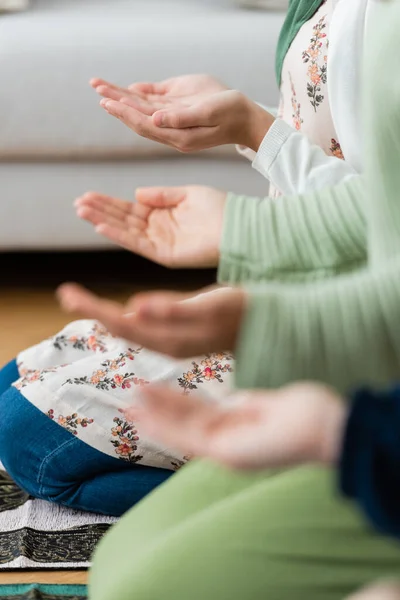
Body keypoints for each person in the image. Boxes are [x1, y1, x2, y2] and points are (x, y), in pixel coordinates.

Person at [65, 1, 400, 598]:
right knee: (115, 565)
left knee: (38, 447)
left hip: (347, 357)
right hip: (344, 349)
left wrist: (248, 237)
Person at [0, 0, 371, 516]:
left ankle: (341, 490)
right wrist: (247, 121)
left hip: (349, 319)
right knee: (11, 382)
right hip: (290, 282)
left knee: (29, 440)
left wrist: (252, 135)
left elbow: (382, 213)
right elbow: (341, 143)